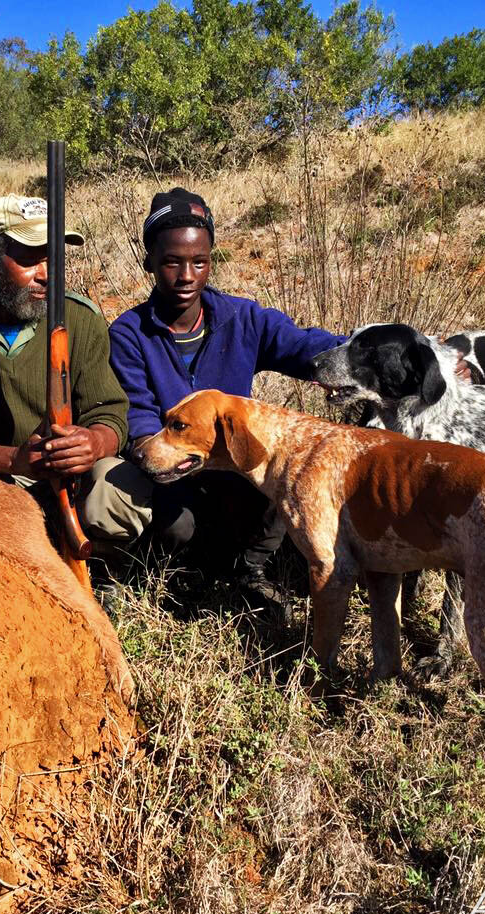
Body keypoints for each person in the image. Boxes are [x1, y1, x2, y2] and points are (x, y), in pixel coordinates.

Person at [102, 188, 346, 612]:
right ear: (150, 264)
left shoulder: (242, 317)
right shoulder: (129, 334)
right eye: (171, 262)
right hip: (173, 468)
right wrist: (171, 459)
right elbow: (139, 420)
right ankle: (182, 575)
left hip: (232, 463)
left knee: (283, 477)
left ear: (211, 261)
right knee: (178, 526)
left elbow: (305, 348)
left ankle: (250, 568)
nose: (186, 276)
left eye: (199, 262)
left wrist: (366, 356)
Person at [0, 194, 130, 527]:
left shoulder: (81, 319)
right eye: (30, 260)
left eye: (54, 258)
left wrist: (92, 443)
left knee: (117, 485)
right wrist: (15, 460)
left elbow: (108, 410)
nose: (47, 274)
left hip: (72, 475)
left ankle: (102, 567)